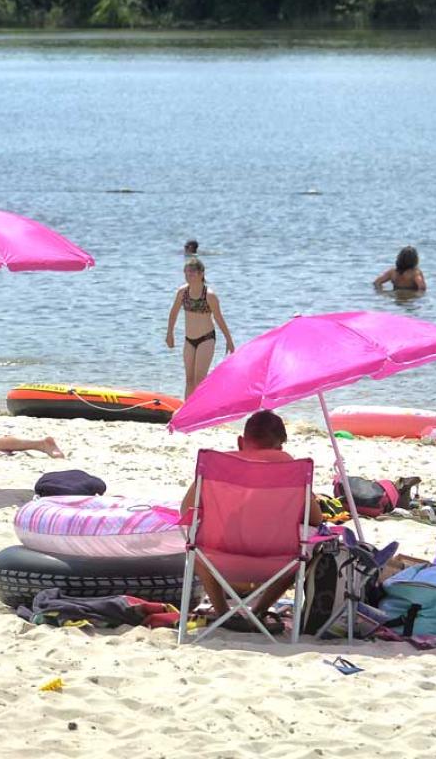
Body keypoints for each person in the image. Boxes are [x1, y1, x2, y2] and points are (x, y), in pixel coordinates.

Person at [179, 411, 324, 626]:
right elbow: (316, 520)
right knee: (303, 555)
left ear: (240, 441)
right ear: (280, 448)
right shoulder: (291, 471)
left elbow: (185, 511)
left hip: (217, 560)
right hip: (278, 564)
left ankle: (222, 612)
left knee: (194, 547)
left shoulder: (216, 466)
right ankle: (259, 611)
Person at [166, 257, 236, 397]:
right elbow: (173, 313)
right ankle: (187, 408)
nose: (188, 275)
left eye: (192, 273)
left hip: (206, 339)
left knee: (199, 379)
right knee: (189, 379)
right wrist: (170, 333)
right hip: (189, 339)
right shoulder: (182, 292)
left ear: (201, 274)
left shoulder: (209, 295)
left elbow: (218, 318)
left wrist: (229, 340)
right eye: (186, 272)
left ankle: (202, 407)